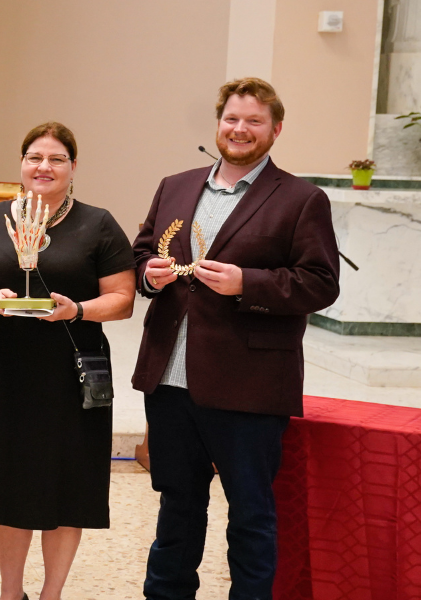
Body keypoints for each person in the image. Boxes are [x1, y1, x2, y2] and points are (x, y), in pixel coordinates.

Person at [133, 78, 339, 600]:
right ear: (218, 123)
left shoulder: (301, 198)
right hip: (171, 377)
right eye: (232, 119)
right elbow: (139, 254)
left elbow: (321, 283)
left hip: (248, 384)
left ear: (276, 129)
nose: (240, 130)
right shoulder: (175, 186)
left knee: (250, 514)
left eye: (254, 121)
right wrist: (148, 275)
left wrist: (250, 283)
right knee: (177, 506)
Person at [0, 122, 136, 600]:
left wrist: (78, 309)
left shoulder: (96, 223)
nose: (44, 167)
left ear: (73, 168)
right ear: (22, 164)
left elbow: (122, 299)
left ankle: (52, 593)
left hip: (71, 372)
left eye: (56, 159)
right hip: (6, 370)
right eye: (35, 157)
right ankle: (10, 591)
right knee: (8, 480)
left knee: (68, 483)